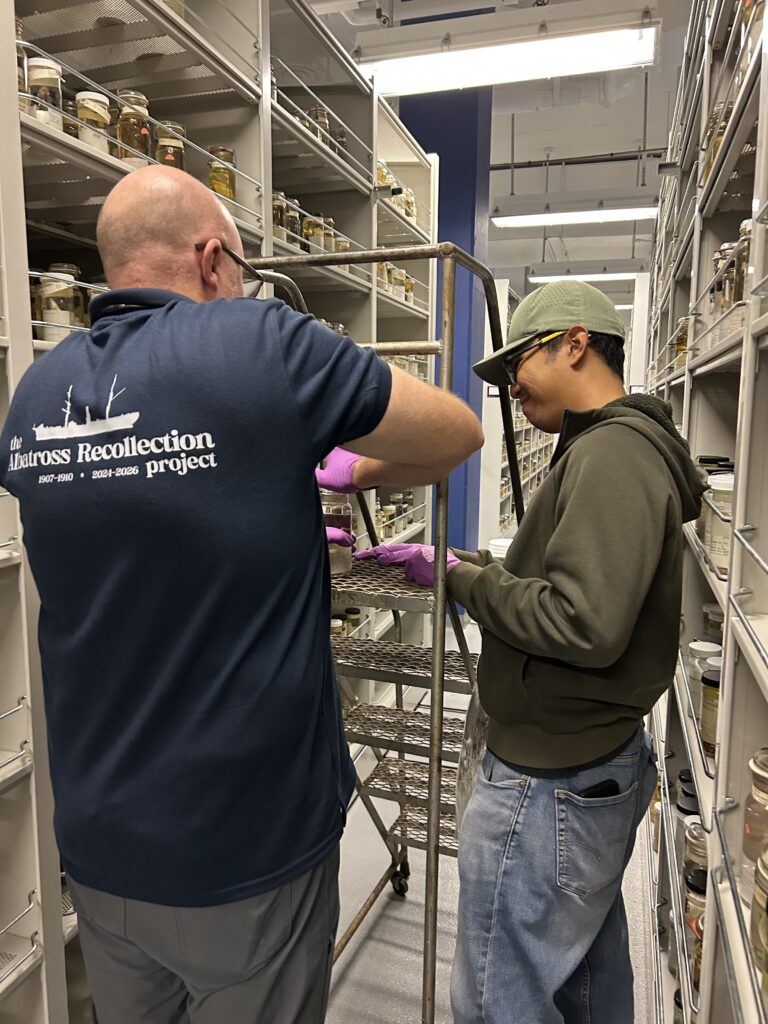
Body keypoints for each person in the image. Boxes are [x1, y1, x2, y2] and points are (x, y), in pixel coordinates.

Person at [0, 166, 483, 1024]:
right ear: (214, 258)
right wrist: (345, 463)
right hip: (246, 849)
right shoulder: (264, 343)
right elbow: (456, 431)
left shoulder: (33, 397)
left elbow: (148, 507)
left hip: (103, 851)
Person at [358, 281, 707, 1024]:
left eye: (518, 361)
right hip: (582, 765)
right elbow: (558, 577)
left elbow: (583, 621)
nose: (509, 385)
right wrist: (462, 564)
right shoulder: (606, 447)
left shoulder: (613, 454)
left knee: (497, 995)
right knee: (578, 979)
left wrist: (461, 581)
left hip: (549, 782)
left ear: (576, 344)